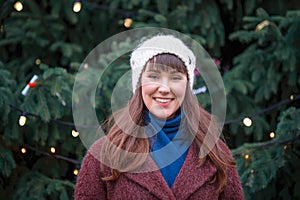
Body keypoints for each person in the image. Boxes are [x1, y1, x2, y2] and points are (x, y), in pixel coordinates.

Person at [74, 35, 244, 199]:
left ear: (187, 86)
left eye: (175, 78)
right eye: (154, 76)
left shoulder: (215, 153)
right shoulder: (105, 154)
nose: (164, 88)